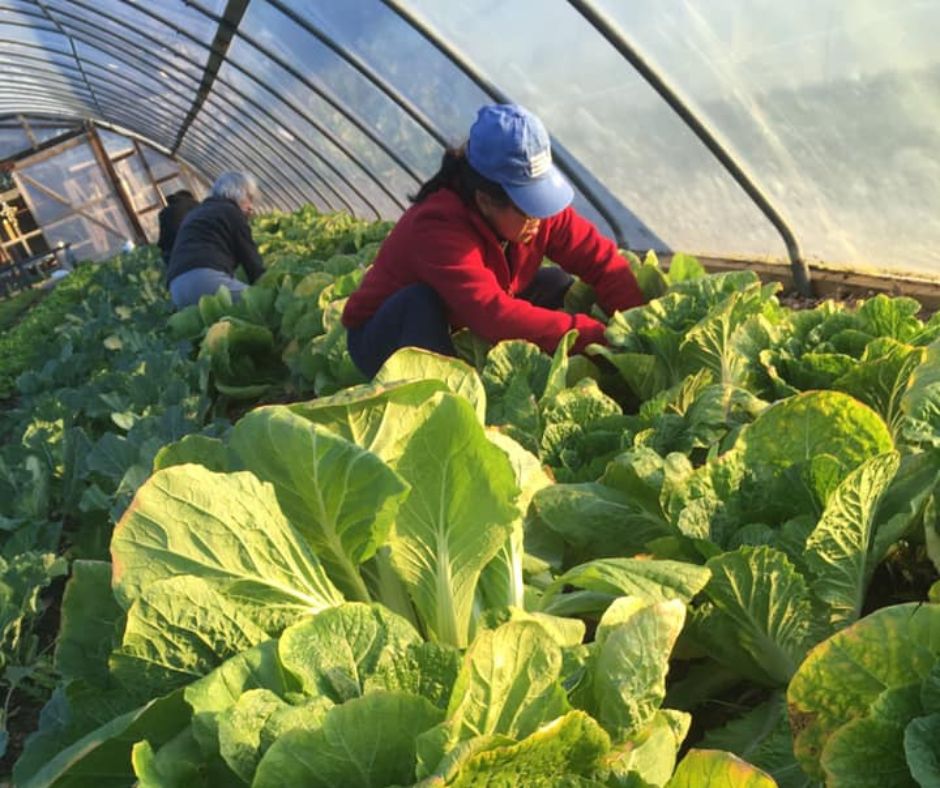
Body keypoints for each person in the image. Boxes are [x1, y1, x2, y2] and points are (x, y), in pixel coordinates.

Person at [342, 103, 646, 378]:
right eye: (528, 208)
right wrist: (588, 335)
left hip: (460, 320)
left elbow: (600, 261)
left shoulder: (532, 212)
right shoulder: (437, 225)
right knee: (419, 303)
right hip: (385, 338)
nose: (539, 219)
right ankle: (449, 400)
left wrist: (637, 329)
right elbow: (492, 313)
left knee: (555, 282)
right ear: (485, 200)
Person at [165, 172, 264, 308]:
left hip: (176, 287)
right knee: (260, 304)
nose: (251, 207)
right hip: (205, 281)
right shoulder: (231, 211)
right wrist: (268, 289)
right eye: (250, 198)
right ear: (239, 193)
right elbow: (253, 263)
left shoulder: (196, 213)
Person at [156, 189, 199, 265]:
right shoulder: (199, 207)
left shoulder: (164, 212)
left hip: (175, 254)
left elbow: (162, 241)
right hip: (199, 248)